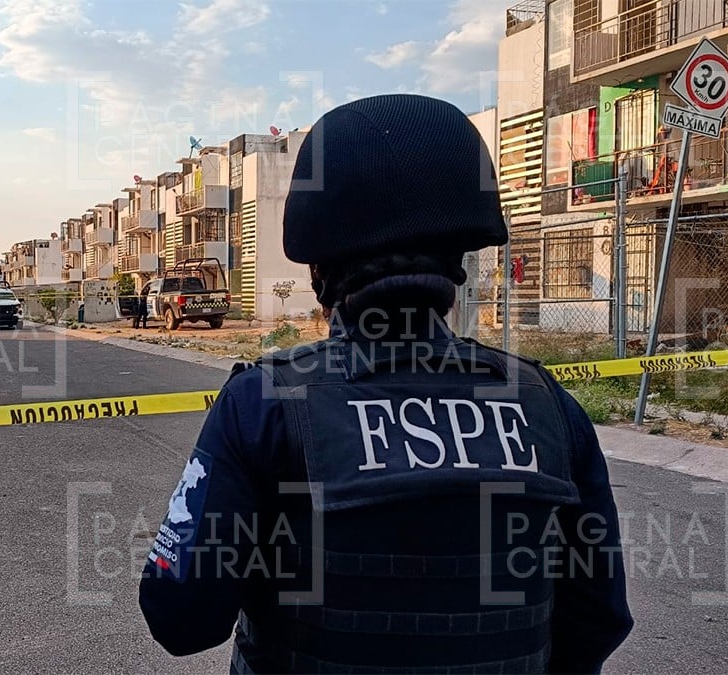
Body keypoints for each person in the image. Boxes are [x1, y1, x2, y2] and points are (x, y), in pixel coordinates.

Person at [137, 94, 633, 673]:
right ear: (457, 262)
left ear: (318, 269)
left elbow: (181, 616)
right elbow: (598, 617)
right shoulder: (545, 405)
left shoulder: (265, 404)